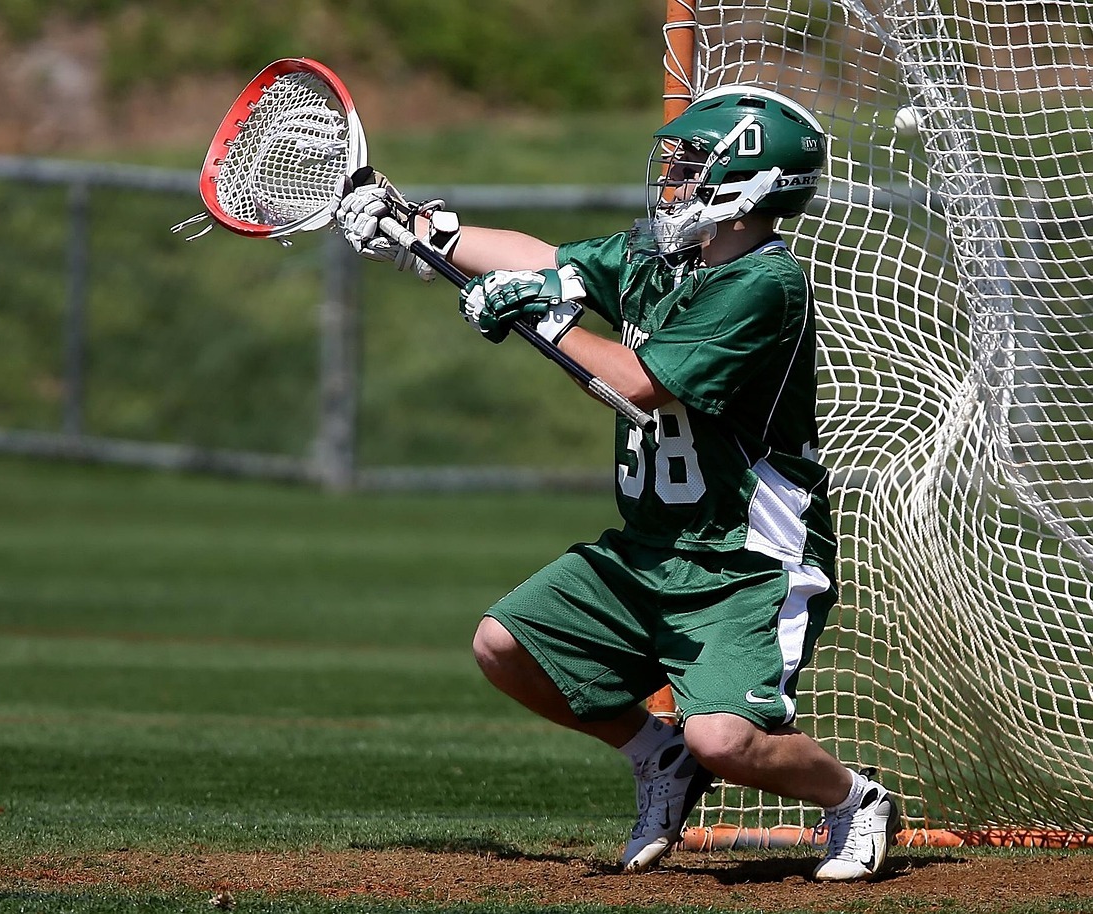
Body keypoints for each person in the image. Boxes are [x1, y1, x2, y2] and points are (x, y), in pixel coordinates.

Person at [335, 85, 899, 881]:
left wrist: (545, 319)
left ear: (749, 186)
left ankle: (852, 801)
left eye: (690, 166)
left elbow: (636, 383)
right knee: (505, 646)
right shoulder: (659, 259)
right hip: (649, 550)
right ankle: (657, 756)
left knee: (726, 741)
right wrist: (419, 231)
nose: (671, 179)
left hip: (743, 559)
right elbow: (547, 260)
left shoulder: (763, 287)